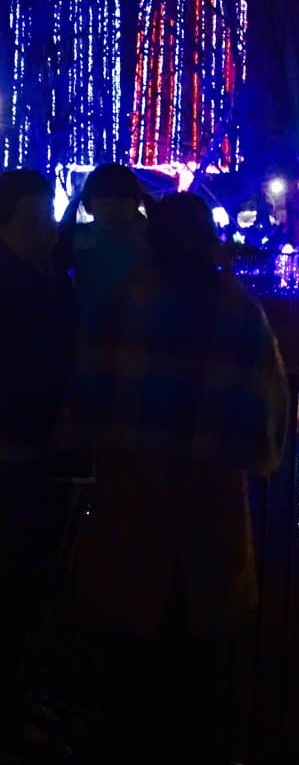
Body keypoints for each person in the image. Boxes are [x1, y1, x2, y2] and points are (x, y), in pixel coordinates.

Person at [70, 192, 288, 764]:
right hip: (207, 502)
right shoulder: (238, 312)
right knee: (200, 670)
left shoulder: (121, 305)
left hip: (131, 495)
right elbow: (265, 420)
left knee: (131, 664)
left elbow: (87, 402)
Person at [0, 170, 76, 761]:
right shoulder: (25, 287)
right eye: (38, 216)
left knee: (26, 591)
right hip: (19, 455)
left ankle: (22, 699)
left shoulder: (45, 278)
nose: (49, 225)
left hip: (35, 452)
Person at [72, 164, 148, 328]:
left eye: (120, 201)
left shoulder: (79, 237)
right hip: (93, 328)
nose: (113, 207)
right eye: (106, 201)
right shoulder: (79, 237)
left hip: (128, 328)